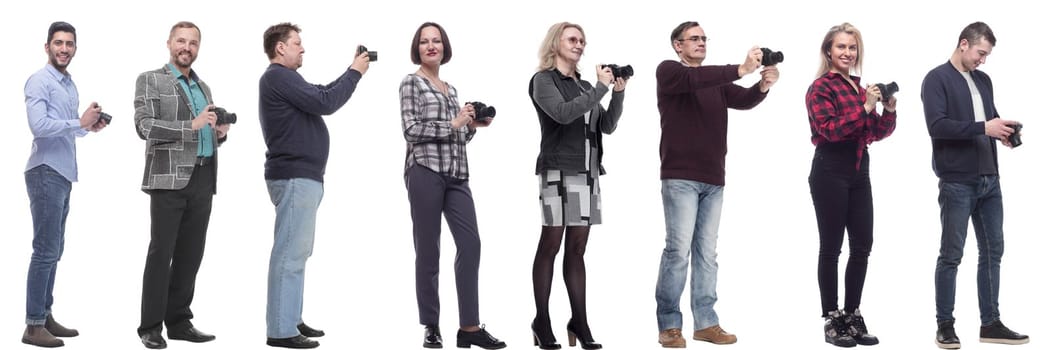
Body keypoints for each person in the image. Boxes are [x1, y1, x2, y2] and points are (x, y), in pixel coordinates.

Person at [653, 21, 778, 348]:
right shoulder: (670, 71)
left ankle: (706, 323)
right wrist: (740, 68)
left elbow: (744, 98)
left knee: (707, 253)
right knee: (677, 252)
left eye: (704, 38)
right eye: (694, 38)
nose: (701, 42)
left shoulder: (715, 80)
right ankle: (669, 325)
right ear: (677, 45)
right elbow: (696, 78)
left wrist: (762, 86)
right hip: (679, 177)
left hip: (713, 179)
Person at [259, 22, 369, 349]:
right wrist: (354, 72)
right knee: (290, 253)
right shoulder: (277, 76)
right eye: (297, 43)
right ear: (281, 47)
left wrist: (351, 71)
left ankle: (290, 317)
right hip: (294, 176)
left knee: (297, 251)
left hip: (303, 177)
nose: (302, 48)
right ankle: (281, 330)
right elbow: (325, 102)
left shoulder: (287, 80)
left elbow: (321, 95)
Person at [921, 21, 1029, 349]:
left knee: (993, 251)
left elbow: (988, 119)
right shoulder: (936, 79)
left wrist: (1005, 134)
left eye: (987, 55)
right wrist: (985, 127)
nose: (983, 60)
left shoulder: (984, 80)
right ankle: (945, 324)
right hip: (957, 182)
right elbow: (938, 126)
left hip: (989, 180)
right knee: (951, 255)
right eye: (981, 53)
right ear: (964, 43)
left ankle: (990, 323)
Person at [400, 22, 506, 350]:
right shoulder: (411, 83)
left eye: (436, 41)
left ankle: (469, 328)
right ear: (417, 49)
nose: (431, 46)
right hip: (425, 171)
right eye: (424, 42)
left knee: (471, 244)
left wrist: (471, 126)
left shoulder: (451, 89)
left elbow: (457, 134)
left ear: (445, 46)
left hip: (457, 175)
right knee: (429, 250)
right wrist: (453, 123)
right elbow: (411, 130)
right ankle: (431, 325)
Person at [528, 21, 626, 350]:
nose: (579, 44)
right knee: (551, 245)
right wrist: (600, 88)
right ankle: (542, 320)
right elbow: (562, 114)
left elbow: (607, 126)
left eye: (582, 40)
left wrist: (618, 93)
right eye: (573, 38)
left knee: (578, 250)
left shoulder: (586, 86)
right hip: (558, 170)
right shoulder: (543, 81)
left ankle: (579, 321)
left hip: (588, 173)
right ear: (556, 43)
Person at [133, 21, 229, 349]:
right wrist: (192, 124)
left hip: (203, 176)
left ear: (198, 48)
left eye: (192, 43)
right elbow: (145, 127)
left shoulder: (204, 87)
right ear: (169, 43)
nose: (186, 47)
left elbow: (205, 131)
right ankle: (150, 327)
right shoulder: (151, 80)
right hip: (168, 180)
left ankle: (179, 321)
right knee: (162, 253)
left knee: (191, 254)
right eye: (181, 41)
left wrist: (219, 134)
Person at [804, 22, 895, 348]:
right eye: (841, 47)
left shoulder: (859, 88)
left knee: (863, 245)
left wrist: (887, 111)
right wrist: (866, 107)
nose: (847, 53)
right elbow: (830, 130)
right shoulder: (820, 88)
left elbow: (873, 133)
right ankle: (832, 318)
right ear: (828, 50)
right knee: (831, 247)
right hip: (830, 170)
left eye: (852, 47)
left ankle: (853, 314)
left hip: (859, 171)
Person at [22, 20, 107, 348]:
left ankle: (44, 315)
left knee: (54, 250)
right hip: (44, 171)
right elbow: (39, 126)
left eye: (69, 44)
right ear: (47, 47)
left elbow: (68, 128)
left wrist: (88, 127)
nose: (64, 49)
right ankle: (32, 326)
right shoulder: (39, 81)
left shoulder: (69, 84)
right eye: (58, 43)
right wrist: (77, 122)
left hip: (62, 173)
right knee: (44, 250)